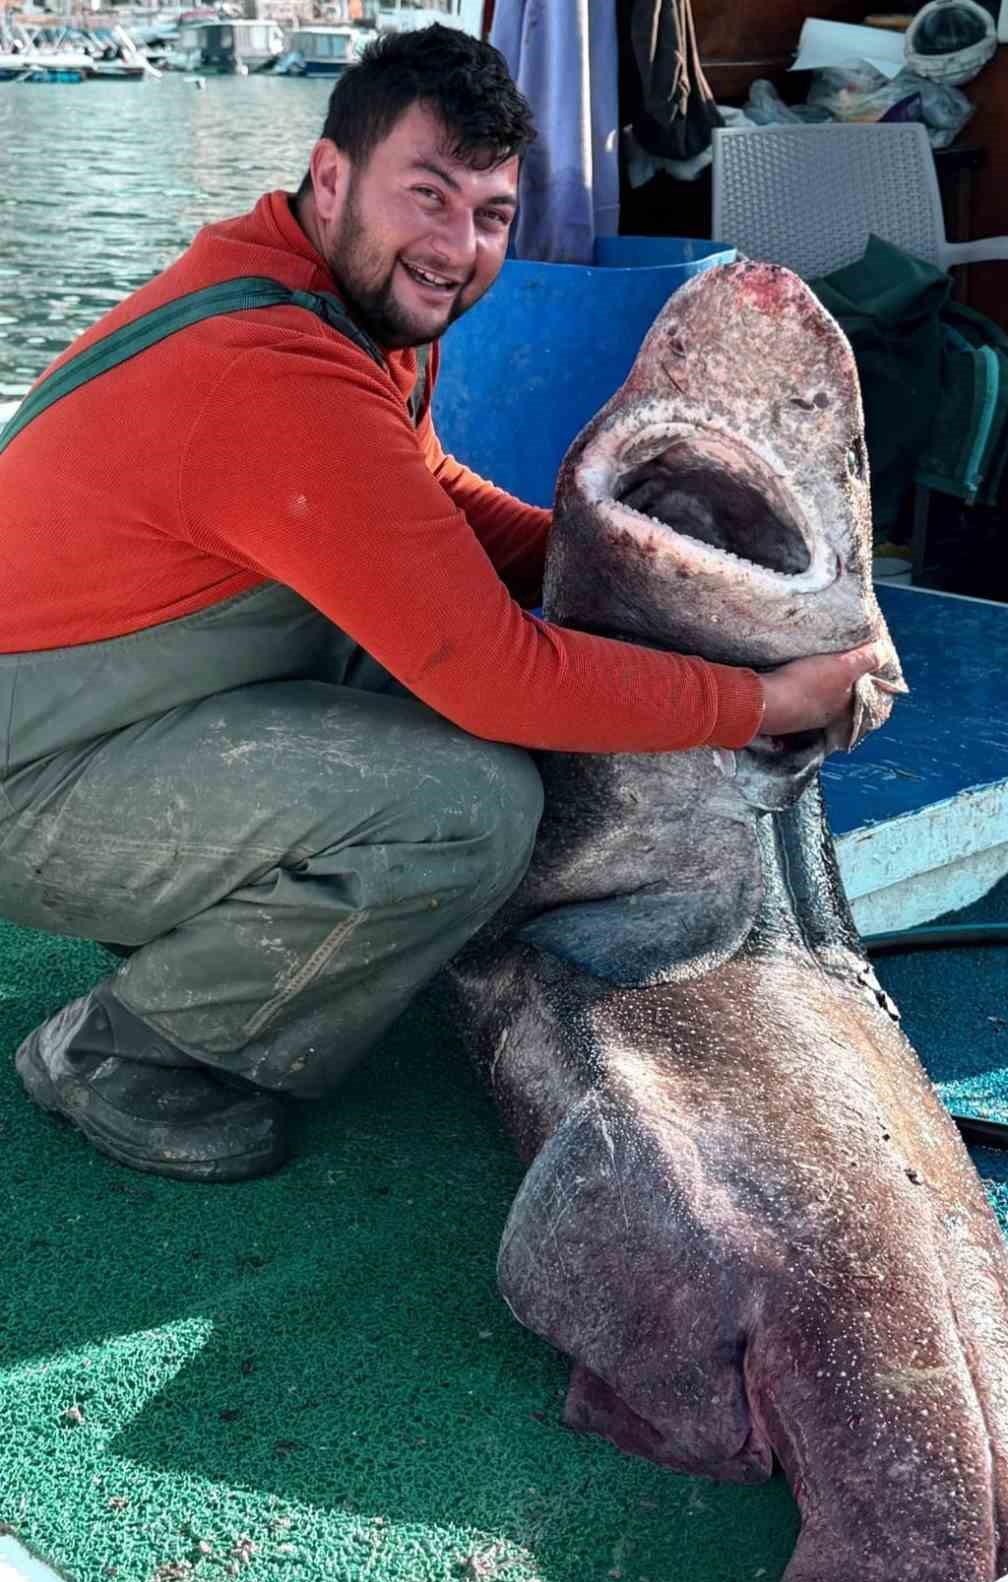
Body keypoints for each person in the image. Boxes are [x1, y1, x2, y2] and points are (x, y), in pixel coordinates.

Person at [0, 25, 882, 1184]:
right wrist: (760, 698)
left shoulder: (339, 302)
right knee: (463, 805)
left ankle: (216, 917)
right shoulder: (275, 370)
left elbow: (429, 495)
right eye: (426, 195)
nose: (456, 247)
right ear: (331, 178)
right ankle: (121, 1054)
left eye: (492, 214)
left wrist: (622, 556)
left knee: (423, 670)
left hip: (123, 692)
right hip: (32, 771)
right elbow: (498, 676)